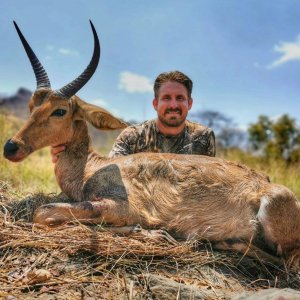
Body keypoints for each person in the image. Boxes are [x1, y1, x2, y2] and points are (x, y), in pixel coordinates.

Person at [51, 71, 216, 162]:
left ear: (190, 103)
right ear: (155, 103)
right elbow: (109, 173)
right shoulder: (133, 135)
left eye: (180, 98)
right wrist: (70, 157)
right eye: (166, 98)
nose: (173, 105)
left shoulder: (203, 136)